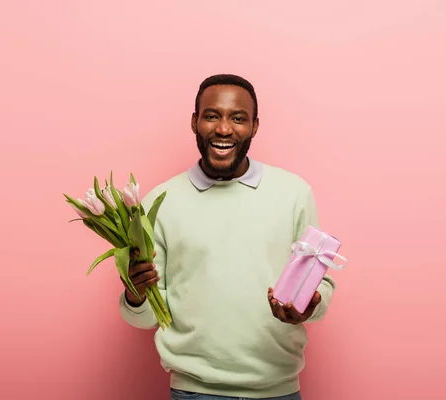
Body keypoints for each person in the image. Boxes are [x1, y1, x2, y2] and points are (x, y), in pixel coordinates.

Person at [118, 74, 336, 400]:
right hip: (194, 392)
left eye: (238, 118)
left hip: (278, 392)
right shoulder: (159, 202)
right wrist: (135, 295)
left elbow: (321, 285)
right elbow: (146, 318)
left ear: (255, 126)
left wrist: (309, 305)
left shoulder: (293, 193)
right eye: (211, 116)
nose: (223, 129)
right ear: (195, 122)